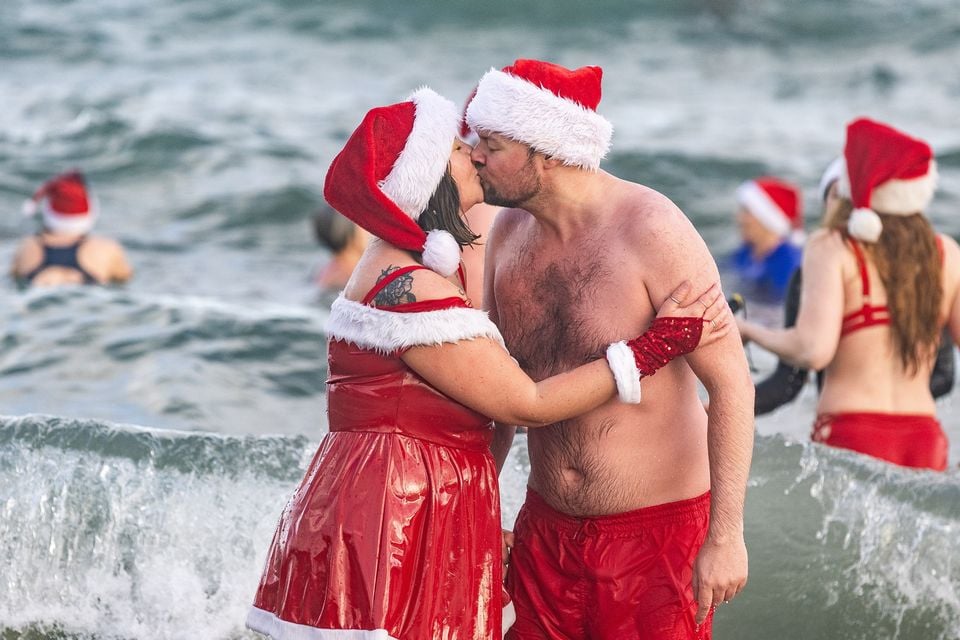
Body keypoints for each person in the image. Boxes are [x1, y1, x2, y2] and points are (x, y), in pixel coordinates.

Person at [246, 87, 731, 640]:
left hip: (400, 504)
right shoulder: (411, 287)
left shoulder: (408, 272)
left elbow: (497, 402)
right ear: (429, 178)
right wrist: (653, 347)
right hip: (397, 515)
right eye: (458, 147)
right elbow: (527, 403)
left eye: (481, 143)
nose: (473, 153)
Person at [466, 59, 754, 639]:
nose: (475, 156)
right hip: (546, 531)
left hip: (656, 536)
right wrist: (482, 508)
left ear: (544, 152)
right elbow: (500, 392)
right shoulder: (505, 235)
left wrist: (726, 535)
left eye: (492, 145)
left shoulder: (652, 229)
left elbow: (731, 384)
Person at [737, 117, 960, 471]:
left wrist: (749, 331)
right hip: (924, 436)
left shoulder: (833, 246)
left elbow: (813, 350)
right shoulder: (945, 252)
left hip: (854, 430)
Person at [749, 159, 954, 416]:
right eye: (835, 196)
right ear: (826, 207)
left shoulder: (915, 274)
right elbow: (787, 383)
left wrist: (876, 399)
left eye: (849, 198)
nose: (845, 207)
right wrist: (719, 410)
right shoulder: (810, 273)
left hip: (853, 424)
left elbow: (944, 375)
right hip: (913, 430)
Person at [12, 170, 133, 287]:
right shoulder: (107, 248)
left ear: (48, 211)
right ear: (90, 210)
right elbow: (125, 280)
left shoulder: (26, 246)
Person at [728, 176, 804, 304]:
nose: (739, 219)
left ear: (767, 220)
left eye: (747, 212)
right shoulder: (745, 253)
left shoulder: (790, 263)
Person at [310, 204, 368, 291]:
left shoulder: (323, 273)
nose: (371, 231)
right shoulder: (354, 277)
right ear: (348, 232)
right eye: (364, 224)